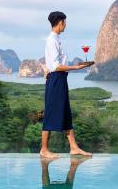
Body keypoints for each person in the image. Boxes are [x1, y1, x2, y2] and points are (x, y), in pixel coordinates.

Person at [40, 11, 93, 159]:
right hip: (57, 78)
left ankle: (74, 147)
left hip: (60, 79)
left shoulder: (56, 39)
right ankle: (44, 149)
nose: (66, 25)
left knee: (65, 112)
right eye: (65, 22)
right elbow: (56, 66)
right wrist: (76, 68)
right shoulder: (52, 40)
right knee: (51, 112)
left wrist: (75, 66)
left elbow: (53, 64)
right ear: (60, 22)